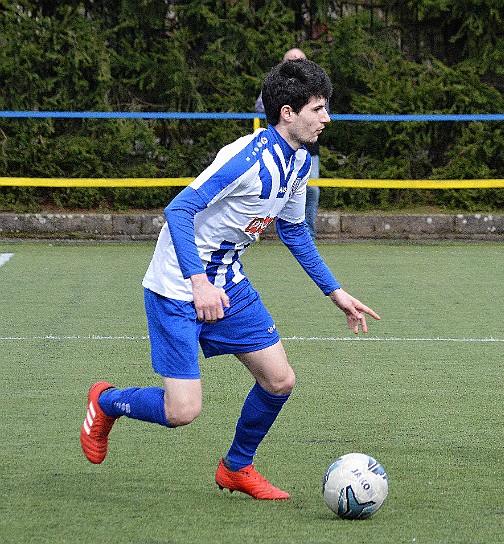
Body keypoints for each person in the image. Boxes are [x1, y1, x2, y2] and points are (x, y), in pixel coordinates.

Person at [81, 58, 380, 500]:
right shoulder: (246, 160)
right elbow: (179, 210)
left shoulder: (298, 162)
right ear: (287, 113)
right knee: (182, 411)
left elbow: (294, 230)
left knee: (280, 380)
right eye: (318, 109)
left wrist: (335, 292)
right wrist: (198, 283)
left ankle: (236, 467)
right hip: (178, 287)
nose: (327, 118)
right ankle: (106, 402)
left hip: (228, 282)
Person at [256, 47, 322, 239]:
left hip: (308, 149)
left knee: (311, 190)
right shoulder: (273, 85)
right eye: (291, 61)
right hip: (277, 147)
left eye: (300, 60)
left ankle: (307, 232)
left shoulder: (317, 88)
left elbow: (323, 110)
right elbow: (261, 106)